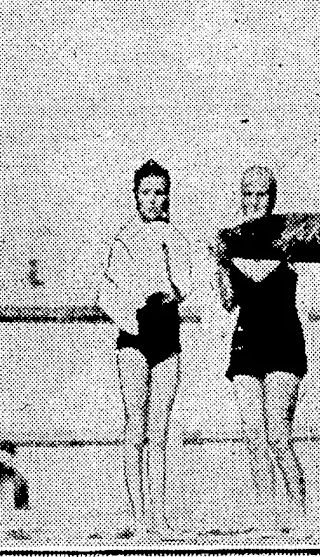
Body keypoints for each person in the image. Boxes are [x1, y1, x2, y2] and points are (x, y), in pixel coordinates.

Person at [211, 165, 309, 537]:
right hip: (247, 340)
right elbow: (227, 300)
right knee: (253, 435)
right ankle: (270, 517)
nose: (255, 202)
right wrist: (219, 263)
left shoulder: (289, 240)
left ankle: (301, 519)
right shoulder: (232, 245)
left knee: (279, 433)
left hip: (283, 339)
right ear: (241, 198)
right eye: (248, 194)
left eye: (262, 195)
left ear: (273, 200)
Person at [98, 159, 192, 539]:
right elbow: (108, 293)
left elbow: (185, 283)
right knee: (134, 424)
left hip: (167, 336)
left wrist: (172, 292)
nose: (154, 200)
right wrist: (132, 314)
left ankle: (159, 512)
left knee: (161, 428)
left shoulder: (177, 237)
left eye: (161, 193)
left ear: (169, 196)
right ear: (135, 196)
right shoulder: (123, 239)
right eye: (147, 193)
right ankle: (138, 516)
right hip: (135, 338)